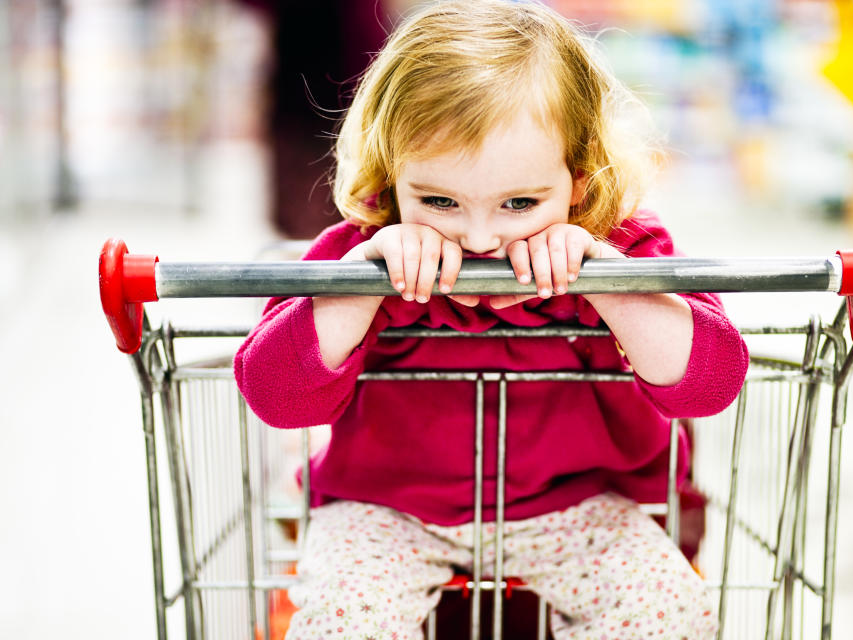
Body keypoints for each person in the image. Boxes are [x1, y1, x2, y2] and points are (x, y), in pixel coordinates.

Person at [234, 1, 749, 638]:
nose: (480, 239)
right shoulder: (361, 250)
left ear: (580, 183)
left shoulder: (625, 250)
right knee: (346, 617)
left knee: (669, 611)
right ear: (394, 178)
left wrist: (608, 282)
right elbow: (275, 397)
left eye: (519, 203)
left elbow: (711, 384)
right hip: (385, 509)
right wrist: (361, 281)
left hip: (579, 507)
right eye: (440, 200)